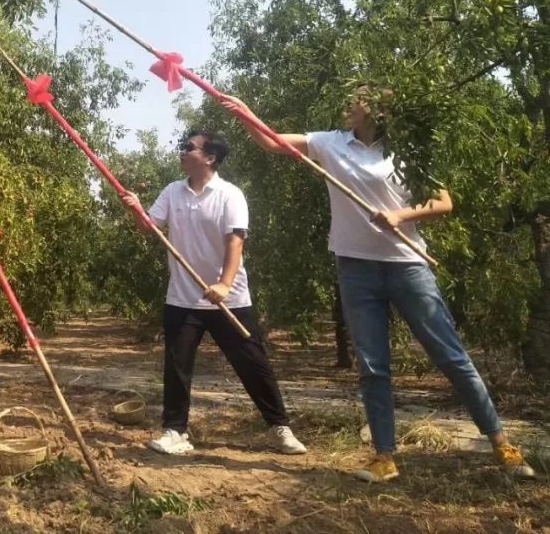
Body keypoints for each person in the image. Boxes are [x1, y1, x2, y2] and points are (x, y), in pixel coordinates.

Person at [219, 86, 536, 481]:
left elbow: (443, 202)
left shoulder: (407, 152)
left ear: (378, 110)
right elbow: (272, 142)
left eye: (357, 101)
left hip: (407, 265)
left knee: (452, 357)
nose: (348, 106)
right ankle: (384, 457)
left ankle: (501, 443)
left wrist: (401, 216)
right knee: (372, 366)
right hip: (356, 268)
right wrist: (244, 110)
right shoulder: (331, 143)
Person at [122, 129, 307, 457]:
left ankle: (279, 427)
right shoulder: (172, 191)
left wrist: (223, 283)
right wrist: (136, 208)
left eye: (188, 147)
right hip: (182, 296)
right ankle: (175, 431)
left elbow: (236, 241)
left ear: (210, 157)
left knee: (252, 363)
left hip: (228, 297)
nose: (182, 151)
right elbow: (150, 227)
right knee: (177, 366)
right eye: (183, 146)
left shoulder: (230, 194)